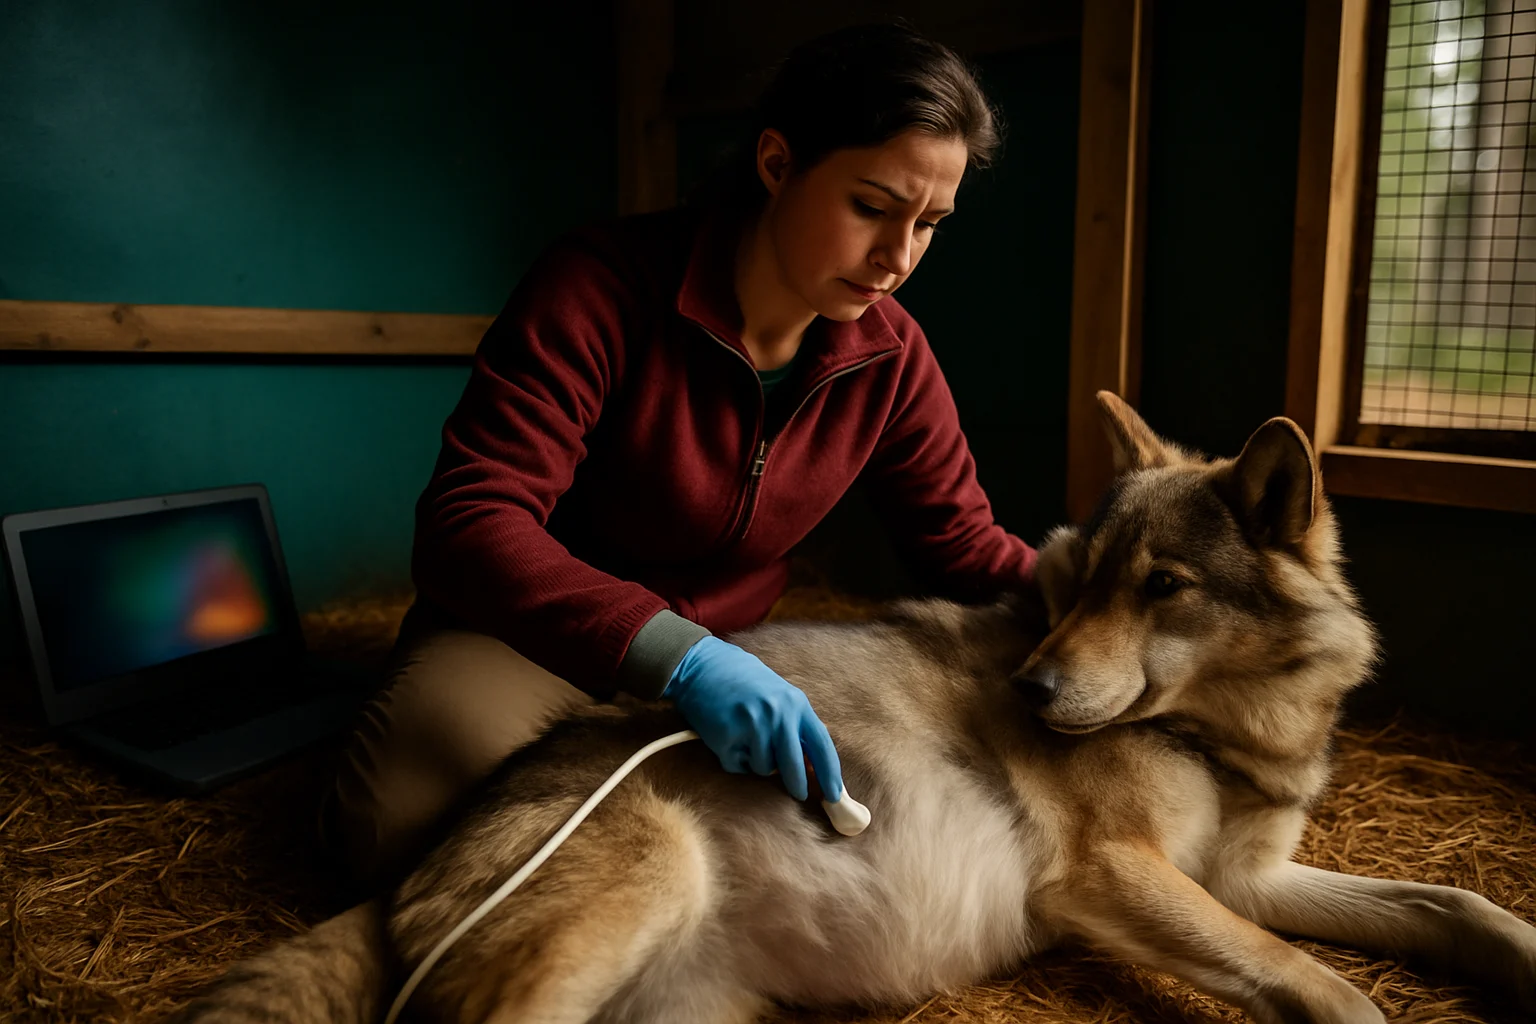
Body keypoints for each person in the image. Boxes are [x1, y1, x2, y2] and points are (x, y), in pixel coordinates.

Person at [323, 23, 1038, 888]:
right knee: (403, 825)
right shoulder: (599, 288)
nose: (898, 257)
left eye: (929, 223)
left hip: (741, 668)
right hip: (536, 641)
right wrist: (680, 656)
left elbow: (963, 546)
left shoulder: (891, 357)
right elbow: (470, 522)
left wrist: (1119, 603)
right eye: (872, 207)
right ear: (777, 164)